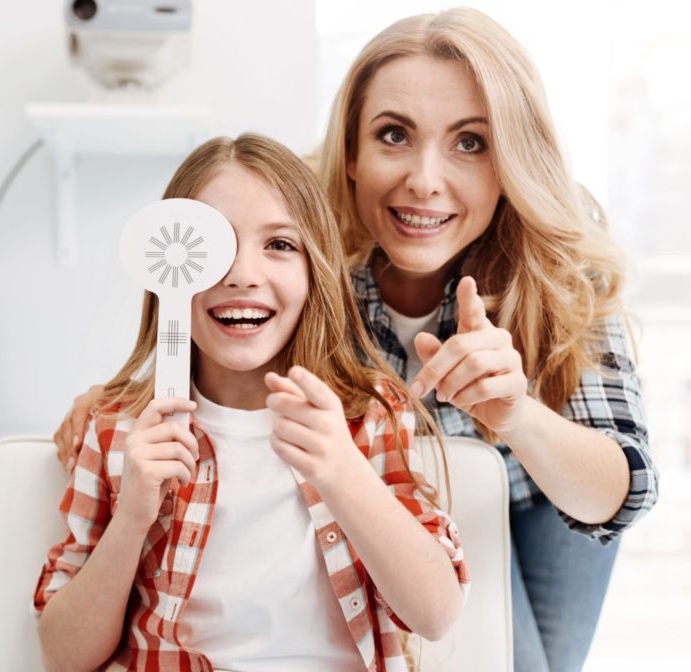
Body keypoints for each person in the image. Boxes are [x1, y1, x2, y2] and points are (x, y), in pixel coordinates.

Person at [53, 9, 658, 672]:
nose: (424, 179)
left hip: (548, 496)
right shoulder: (306, 257)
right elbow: (207, 318)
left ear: (510, 158)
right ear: (349, 152)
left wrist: (517, 416)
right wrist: (122, 398)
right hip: (410, 506)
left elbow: (617, 494)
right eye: (394, 134)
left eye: (471, 142)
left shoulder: (560, 275)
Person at [34, 134, 469, 672]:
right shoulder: (114, 431)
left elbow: (436, 614)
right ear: (166, 271)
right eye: (209, 246)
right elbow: (63, 655)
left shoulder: (369, 419)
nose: (242, 273)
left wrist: (342, 472)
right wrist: (132, 518)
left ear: (316, 272)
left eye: (280, 245)